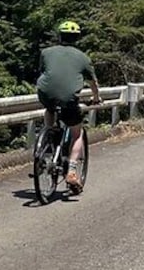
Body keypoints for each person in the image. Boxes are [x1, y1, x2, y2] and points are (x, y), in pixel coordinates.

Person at [36, 20, 101, 194]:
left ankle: (47, 137)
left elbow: (44, 71)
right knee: (77, 132)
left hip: (45, 93)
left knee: (50, 109)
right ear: (77, 38)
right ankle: (72, 171)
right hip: (69, 98)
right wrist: (96, 98)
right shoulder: (83, 57)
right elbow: (92, 82)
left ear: (59, 36)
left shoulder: (46, 52)